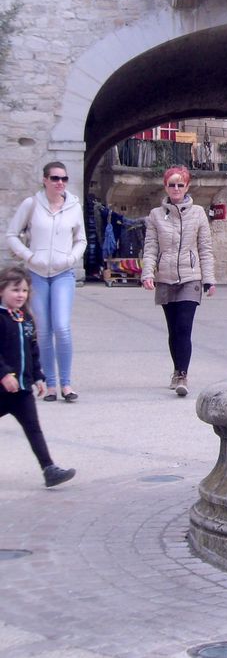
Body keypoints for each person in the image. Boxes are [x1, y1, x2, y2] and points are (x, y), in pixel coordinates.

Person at [6, 161, 86, 402]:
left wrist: (71, 257)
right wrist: (30, 256)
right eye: (54, 178)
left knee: (61, 326)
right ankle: (50, 384)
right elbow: (11, 235)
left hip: (63, 273)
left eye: (63, 179)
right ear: (45, 180)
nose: (59, 183)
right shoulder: (31, 204)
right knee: (42, 329)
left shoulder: (74, 206)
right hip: (37, 273)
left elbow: (80, 239)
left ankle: (67, 383)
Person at [141, 166, 216, 397]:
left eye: (180, 184)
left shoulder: (198, 214)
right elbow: (151, 246)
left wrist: (209, 279)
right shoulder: (155, 215)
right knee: (173, 330)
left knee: (184, 327)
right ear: (165, 187)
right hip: (165, 277)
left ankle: (182, 374)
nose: (176, 188)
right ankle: (176, 370)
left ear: (187, 187)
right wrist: (147, 273)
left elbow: (205, 247)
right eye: (171, 184)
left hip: (190, 277)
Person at [0, 266, 76, 487]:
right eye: (15, 290)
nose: (20, 295)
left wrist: (38, 377)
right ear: (1, 291)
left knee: (34, 429)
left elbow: (33, 350)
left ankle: (49, 469)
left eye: (24, 290)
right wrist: (4, 374)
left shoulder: (25, 318)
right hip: (2, 388)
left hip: (22, 390)